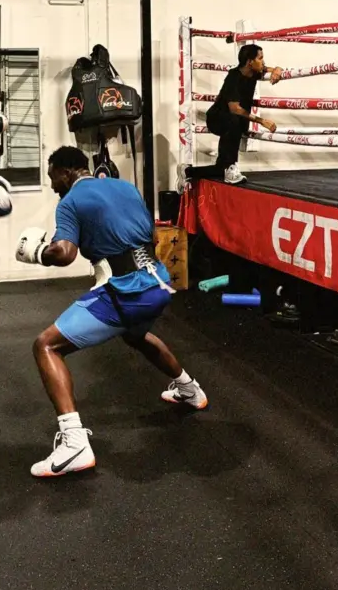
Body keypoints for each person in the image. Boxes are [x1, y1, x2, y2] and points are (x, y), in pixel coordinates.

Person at [15, 146, 209, 478]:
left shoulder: (71, 202)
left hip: (127, 293)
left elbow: (63, 254)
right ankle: (189, 389)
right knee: (135, 335)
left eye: (52, 178)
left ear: (66, 172)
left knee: (46, 345)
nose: (52, 186)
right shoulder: (126, 186)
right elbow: (144, 233)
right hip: (160, 284)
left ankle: (74, 443)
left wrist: (37, 252)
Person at [180, 43, 283, 186]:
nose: (263, 61)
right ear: (249, 61)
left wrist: (277, 70)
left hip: (232, 123)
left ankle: (187, 172)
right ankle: (231, 167)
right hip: (218, 118)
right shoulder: (233, 77)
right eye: (260, 58)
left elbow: (267, 68)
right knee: (235, 120)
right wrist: (261, 121)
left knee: (219, 168)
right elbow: (235, 109)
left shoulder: (253, 72)